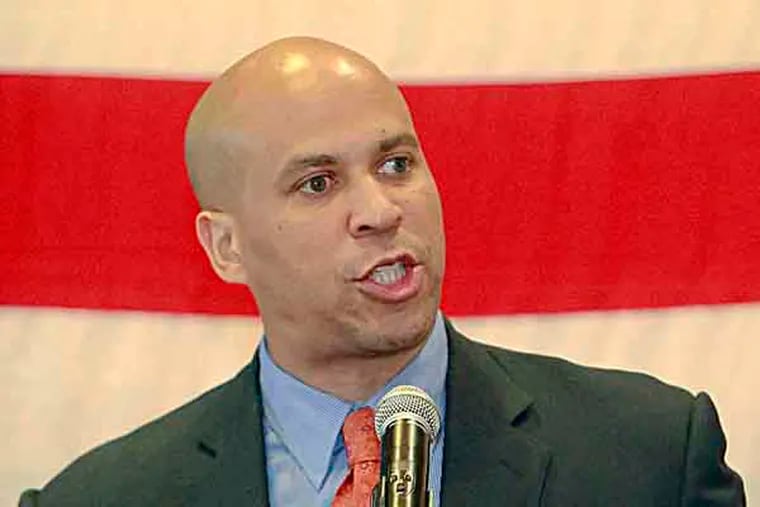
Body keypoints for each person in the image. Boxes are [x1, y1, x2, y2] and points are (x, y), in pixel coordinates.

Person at [19, 37, 745, 506]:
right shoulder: (104, 496)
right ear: (226, 248)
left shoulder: (649, 459)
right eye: (317, 184)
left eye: (395, 164)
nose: (379, 209)